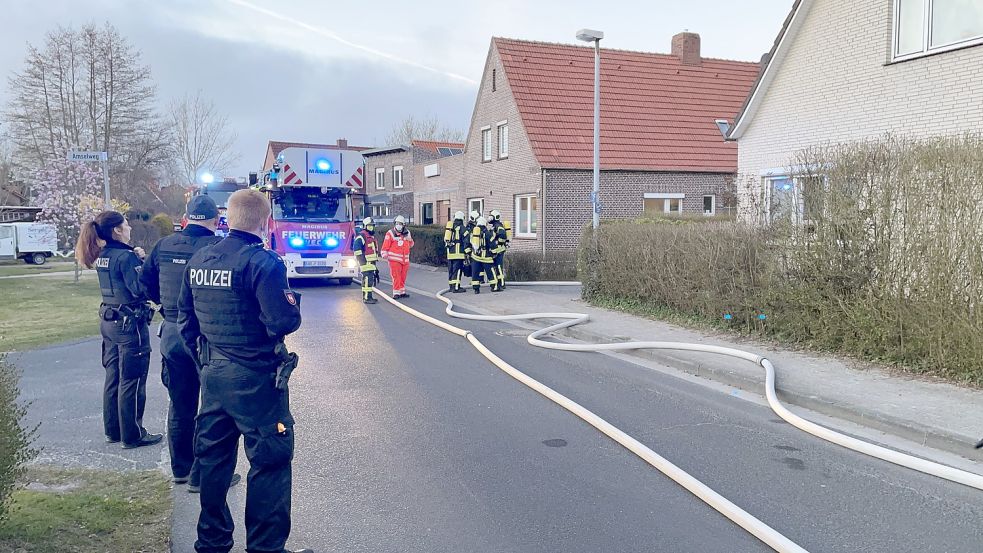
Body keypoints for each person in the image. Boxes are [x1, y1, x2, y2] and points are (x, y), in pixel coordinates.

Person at [177, 189, 311, 553]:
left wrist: (206, 363)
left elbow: (184, 321)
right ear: (265, 222)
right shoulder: (264, 263)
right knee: (270, 463)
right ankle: (266, 548)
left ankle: (212, 542)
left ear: (228, 218)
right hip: (257, 382)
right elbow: (283, 320)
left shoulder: (200, 259)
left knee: (214, 462)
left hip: (214, 377)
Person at [140, 195, 241, 492]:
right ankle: (205, 475)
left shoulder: (164, 245)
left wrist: (163, 305)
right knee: (213, 408)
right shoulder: (216, 249)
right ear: (215, 220)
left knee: (180, 404)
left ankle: (181, 469)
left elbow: (144, 281)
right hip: (207, 336)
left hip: (171, 332)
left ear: (185, 217)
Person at [76, 211, 162, 449]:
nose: (130, 229)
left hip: (109, 320)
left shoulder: (103, 255)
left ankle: (113, 430)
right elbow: (139, 289)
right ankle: (133, 434)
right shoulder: (126, 257)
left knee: (113, 376)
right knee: (132, 379)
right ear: (116, 230)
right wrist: (144, 265)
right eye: (126, 225)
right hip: (129, 324)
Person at [381, 215, 414, 298]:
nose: (398, 225)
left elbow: (411, 244)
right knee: (396, 276)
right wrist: (384, 254)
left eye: (400, 224)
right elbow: (385, 245)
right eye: (397, 223)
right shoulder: (390, 233)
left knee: (403, 276)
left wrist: (409, 240)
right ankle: (396, 292)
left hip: (405, 260)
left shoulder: (407, 233)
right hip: (394, 260)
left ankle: (402, 291)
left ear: (404, 225)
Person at [468, 216, 500, 294]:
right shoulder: (488, 233)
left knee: (475, 273)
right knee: (490, 272)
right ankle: (494, 287)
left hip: (475, 257)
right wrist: (494, 253)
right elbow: (492, 244)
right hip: (486, 257)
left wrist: (469, 253)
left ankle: (476, 289)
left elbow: (469, 243)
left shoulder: (473, 232)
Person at [353, 216, 380, 304]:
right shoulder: (362, 236)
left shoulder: (370, 236)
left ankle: (369, 296)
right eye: (369, 226)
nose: (371, 227)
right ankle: (366, 298)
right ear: (365, 226)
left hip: (371, 263)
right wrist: (362, 262)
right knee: (367, 280)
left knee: (370, 281)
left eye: (372, 226)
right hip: (366, 263)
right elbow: (357, 250)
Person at [443, 211, 468, 293]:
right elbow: (466, 241)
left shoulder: (451, 227)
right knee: (457, 271)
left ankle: (451, 286)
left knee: (451, 271)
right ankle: (456, 287)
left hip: (450, 254)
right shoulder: (462, 228)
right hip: (458, 254)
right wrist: (467, 252)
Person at [489, 209, 511, 290]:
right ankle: (500, 282)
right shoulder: (495, 225)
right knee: (497, 267)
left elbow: (502, 236)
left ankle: (501, 283)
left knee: (498, 267)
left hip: (499, 250)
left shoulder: (498, 226)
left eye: (490, 216)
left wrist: (497, 243)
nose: (489, 218)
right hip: (498, 250)